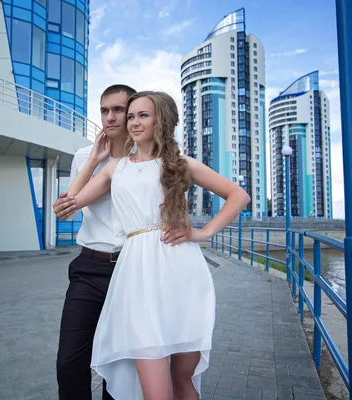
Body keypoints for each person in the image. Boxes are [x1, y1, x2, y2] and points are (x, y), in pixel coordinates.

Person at [61, 91, 251, 400]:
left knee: (182, 382)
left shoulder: (179, 163)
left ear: (160, 120)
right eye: (131, 115)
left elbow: (238, 196)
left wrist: (203, 233)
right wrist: (94, 160)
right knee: (156, 392)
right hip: (136, 274)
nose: (134, 122)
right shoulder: (115, 168)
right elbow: (67, 204)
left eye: (143, 115)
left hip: (182, 272)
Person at [54, 84, 137, 400]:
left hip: (131, 268)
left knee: (119, 365)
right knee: (69, 362)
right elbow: (65, 208)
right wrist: (94, 159)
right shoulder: (82, 157)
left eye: (118, 110)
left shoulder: (144, 158)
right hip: (89, 267)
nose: (111, 117)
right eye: (105, 110)